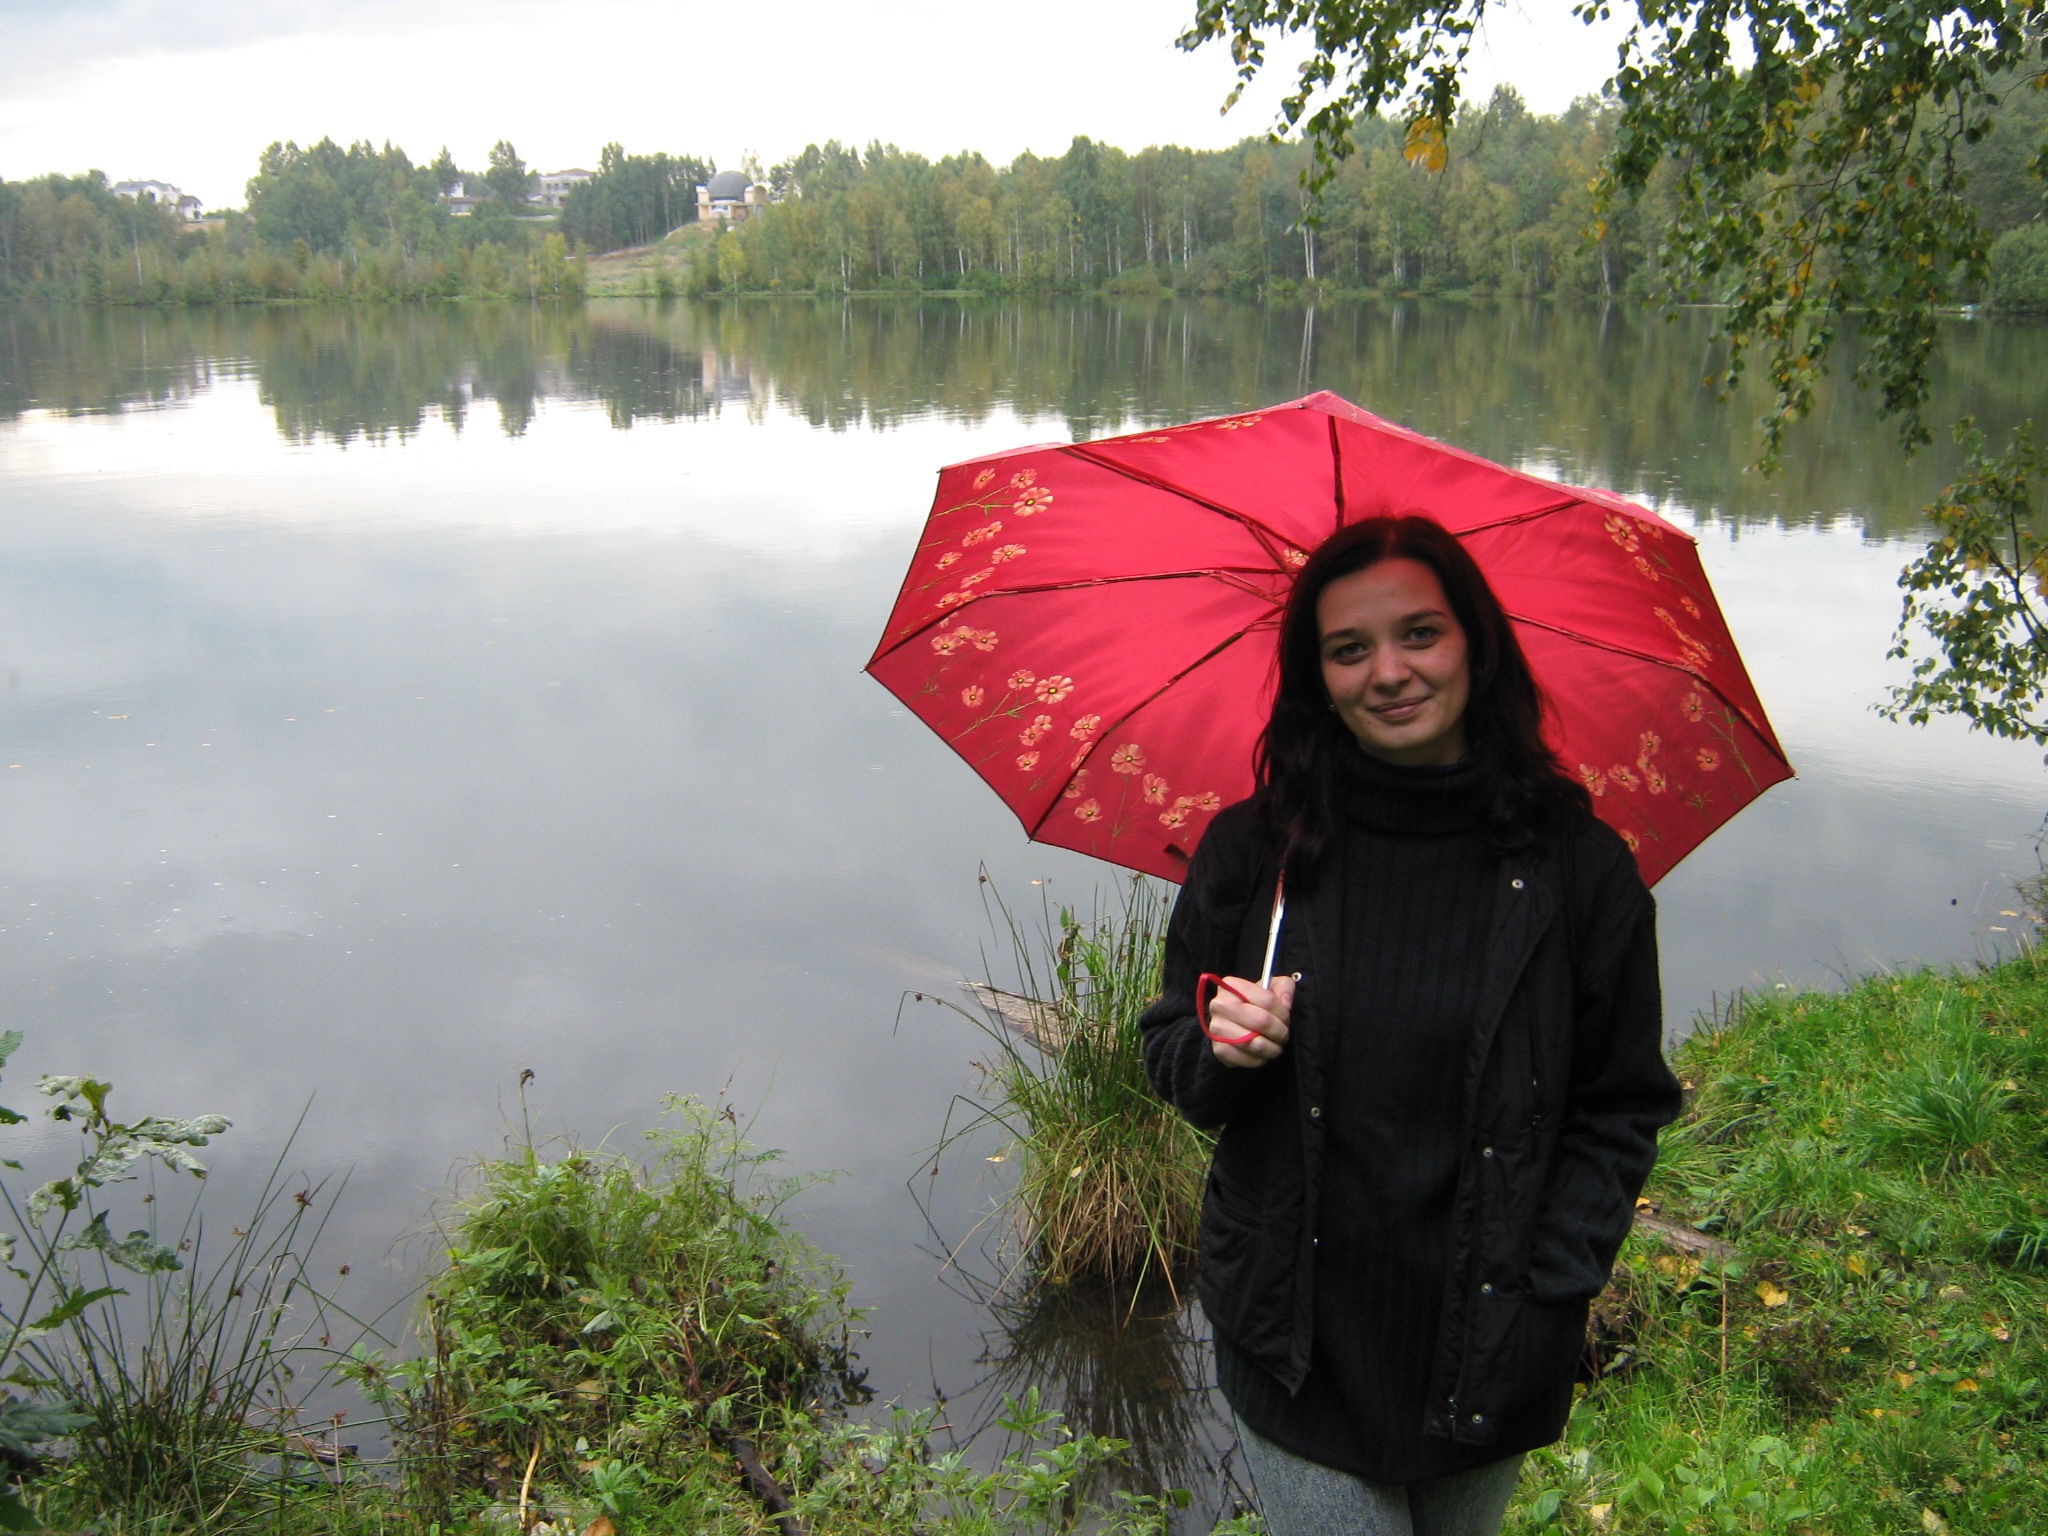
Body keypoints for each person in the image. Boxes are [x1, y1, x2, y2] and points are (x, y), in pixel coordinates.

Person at [1140, 515, 1682, 1536]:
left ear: (1475, 642)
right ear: (1317, 677)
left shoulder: (1577, 871)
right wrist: (1221, 1052)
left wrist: (1551, 1287)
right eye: (1348, 649)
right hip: (1294, 1343)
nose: (1388, 672)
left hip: (1490, 1344)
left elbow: (1621, 1105)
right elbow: (1167, 1046)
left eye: (1419, 634)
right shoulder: (1257, 852)